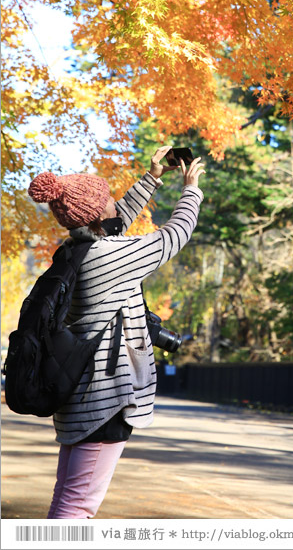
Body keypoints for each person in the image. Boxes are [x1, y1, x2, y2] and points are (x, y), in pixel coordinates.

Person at [27, 145, 205, 519]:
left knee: (67, 498)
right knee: (77, 507)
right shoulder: (111, 256)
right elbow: (174, 235)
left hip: (80, 397)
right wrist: (191, 189)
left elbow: (114, 220)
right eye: (107, 198)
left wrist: (153, 178)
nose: (113, 202)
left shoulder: (76, 248)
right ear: (95, 214)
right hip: (103, 402)